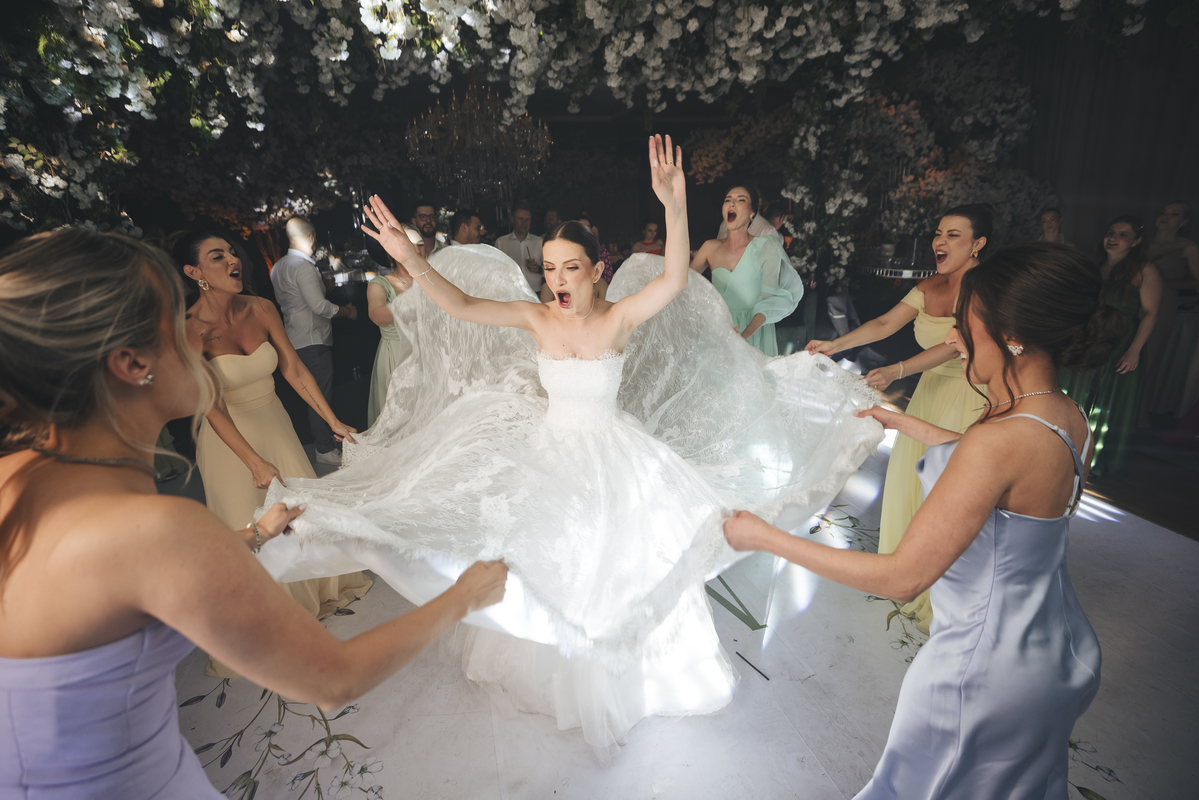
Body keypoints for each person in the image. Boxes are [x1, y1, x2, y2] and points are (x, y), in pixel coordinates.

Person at [256, 136, 882, 753]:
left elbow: (673, 278)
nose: (557, 279)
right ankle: (560, 666)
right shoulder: (536, 318)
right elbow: (461, 303)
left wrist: (674, 205)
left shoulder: (618, 317)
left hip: (614, 458)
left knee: (620, 565)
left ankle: (632, 675)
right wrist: (408, 256)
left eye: (570, 268)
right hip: (549, 456)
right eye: (550, 268)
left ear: (596, 270)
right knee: (554, 561)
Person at [0, 227, 508, 798]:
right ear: (130, 363)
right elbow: (333, 679)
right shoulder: (158, 528)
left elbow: (116, 580)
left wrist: (252, 535)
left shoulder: (19, 477)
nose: (198, 330)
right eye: (178, 320)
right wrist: (465, 595)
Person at [729, 242, 1119, 798]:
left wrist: (764, 535)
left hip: (983, 668)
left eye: (966, 324)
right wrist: (900, 422)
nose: (954, 338)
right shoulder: (1065, 416)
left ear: (1011, 335)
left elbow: (902, 578)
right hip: (1057, 649)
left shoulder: (997, 441)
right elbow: (1001, 469)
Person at [175, 231, 374, 676]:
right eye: (217, 256)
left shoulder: (261, 308)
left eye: (231, 252)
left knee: (301, 511)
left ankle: (316, 590)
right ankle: (265, 622)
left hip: (274, 423)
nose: (232, 259)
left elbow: (294, 369)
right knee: (250, 523)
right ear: (194, 272)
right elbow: (212, 406)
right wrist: (252, 461)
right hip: (228, 440)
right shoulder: (188, 330)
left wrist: (332, 420)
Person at [806, 205, 992, 632]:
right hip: (929, 393)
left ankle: (950, 592)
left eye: (954, 235)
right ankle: (912, 572)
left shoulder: (986, 287)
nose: (940, 241)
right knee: (914, 480)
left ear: (978, 244)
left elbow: (957, 344)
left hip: (968, 394)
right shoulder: (929, 285)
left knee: (949, 491)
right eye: (939, 233)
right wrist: (835, 345)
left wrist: (897, 370)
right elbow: (884, 323)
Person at [1062, 215, 1161, 478]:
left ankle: (1093, 460)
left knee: (1105, 400)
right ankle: (1065, 453)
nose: (1113, 238)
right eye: (1110, 232)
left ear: (1137, 241)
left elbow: (1151, 313)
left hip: (1119, 341)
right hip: (1087, 337)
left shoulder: (1144, 269)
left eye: (1123, 234)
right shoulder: (1094, 266)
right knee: (1075, 394)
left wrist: (1134, 350)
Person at [269, 216, 357, 466]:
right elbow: (319, 307)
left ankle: (323, 446)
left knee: (311, 395)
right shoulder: (303, 267)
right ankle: (325, 449)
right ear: (311, 238)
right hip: (313, 339)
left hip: (292, 337)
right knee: (319, 397)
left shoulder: (278, 267)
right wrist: (347, 311)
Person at [689, 183, 804, 356]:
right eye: (728, 200)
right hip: (718, 331)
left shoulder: (766, 246)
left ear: (752, 213)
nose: (732, 203)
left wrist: (742, 337)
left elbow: (771, 301)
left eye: (740, 200)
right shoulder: (709, 248)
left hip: (754, 333)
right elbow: (682, 284)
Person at [1144, 201, 1199, 421]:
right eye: (1163, 212)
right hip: (1134, 303)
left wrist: (1165, 283)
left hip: (1162, 304)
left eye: (1174, 214)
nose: (1166, 217)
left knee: (1148, 360)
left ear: (1183, 222)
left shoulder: (1187, 247)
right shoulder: (1144, 243)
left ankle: (1139, 416)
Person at [366, 231, 420, 427]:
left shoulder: (432, 281)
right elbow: (377, 315)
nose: (417, 250)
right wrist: (416, 300)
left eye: (421, 245)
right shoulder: (380, 283)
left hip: (430, 354)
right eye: (410, 244)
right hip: (397, 357)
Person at [494, 202, 545, 294]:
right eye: (520, 219)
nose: (524, 223)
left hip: (535, 292)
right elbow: (495, 270)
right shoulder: (501, 242)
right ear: (512, 219)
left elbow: (552, 268)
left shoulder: (539, 242)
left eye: (527, 219)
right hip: (511, 292)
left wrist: (539, 270)